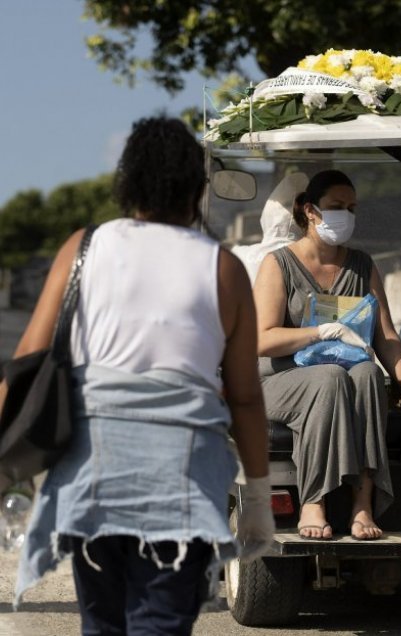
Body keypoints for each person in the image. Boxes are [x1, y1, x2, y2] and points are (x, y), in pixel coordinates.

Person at [5, 117, 273, 634]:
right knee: (160, 624)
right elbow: (243, 398)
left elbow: (25, 363)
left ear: (126, 182)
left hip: (93, 479)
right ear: (197, 189)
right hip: (182, 487)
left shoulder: (85, 247)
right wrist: (258, 499)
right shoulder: (224, 268)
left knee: (102, 625)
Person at [253, 169, 401, 541]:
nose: (346, 215)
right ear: (310, 210)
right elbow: (261, 339)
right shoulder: (279, 265)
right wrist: (319, 332)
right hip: (281, 379)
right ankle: (314, 499)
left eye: (352, 207)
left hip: (343, 376)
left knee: (368, 375)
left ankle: (363, 502)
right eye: (336, 206)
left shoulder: (361, 266)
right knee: (331, 377)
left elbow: (387, 338)